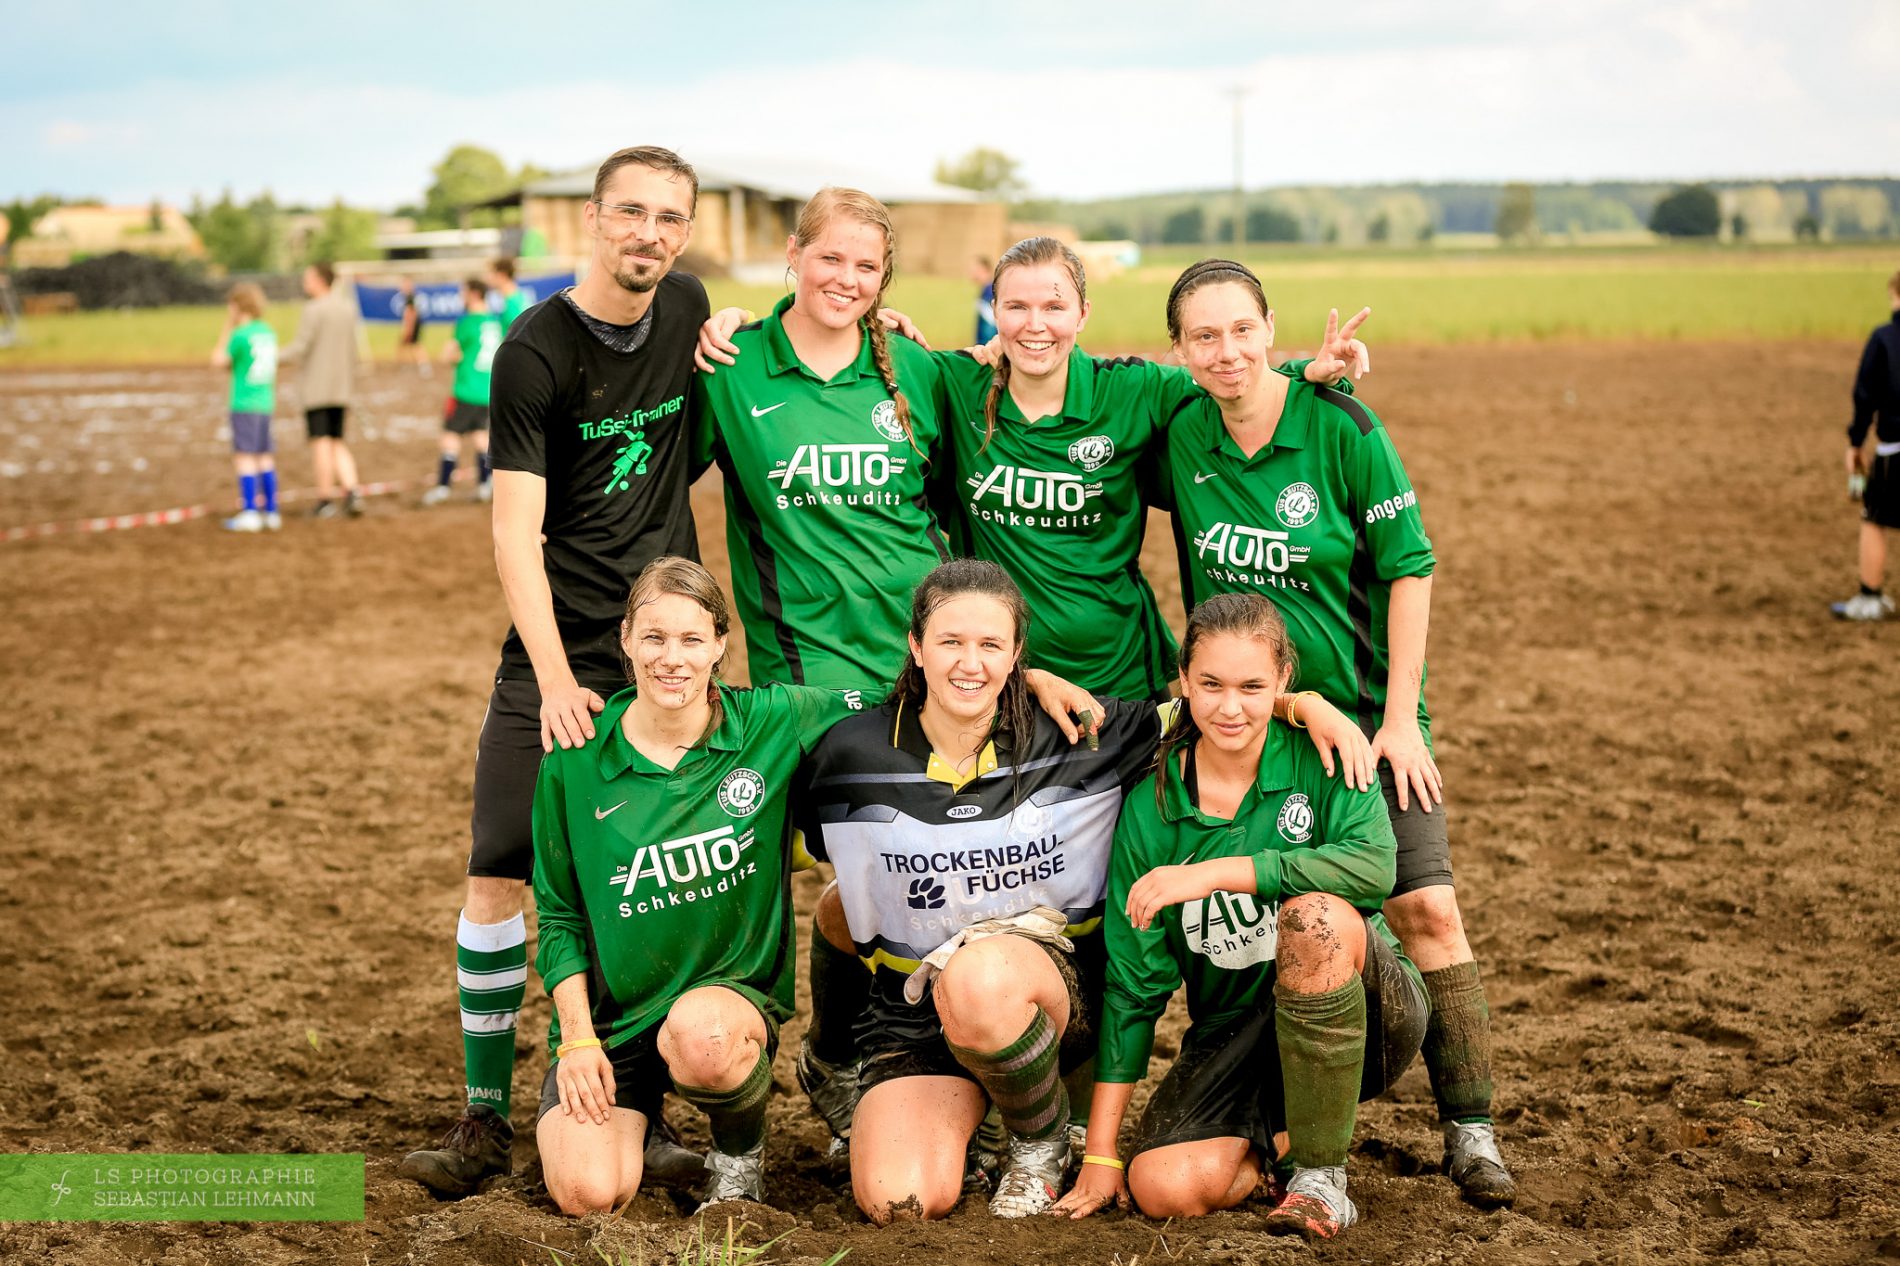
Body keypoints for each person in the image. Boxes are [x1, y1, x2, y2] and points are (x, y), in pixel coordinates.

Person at [792, 560, 1371, 1224]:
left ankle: (1039, 1141)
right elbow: (832, 869)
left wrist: (1306, 704)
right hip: (917, 1015)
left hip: (1044, 994)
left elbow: (1220, 702)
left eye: (991, 645)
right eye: (950, 642)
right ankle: (897, 1085)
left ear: (1017, 654)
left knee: (979, 978)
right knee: (901, 1200)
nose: (969, 662)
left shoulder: (1084, 732)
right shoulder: (849, 754)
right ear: (917, 647)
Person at [1156, 258, 1516, 1208]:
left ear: (1270, 329)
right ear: (1180, 351)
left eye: (1242, 330)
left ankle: (1470, 1130)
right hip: (1248, 720)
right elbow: (1070, 393)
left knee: (1428, 910)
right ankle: (1290, 1134)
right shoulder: (1182, 430)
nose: (1226, 352)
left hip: (1365, 723)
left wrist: (1400, 720)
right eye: (1204, 337)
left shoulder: (1345, 426)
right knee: (1271, 923)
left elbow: (1411, 567)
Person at [400, 145, 712, 1199]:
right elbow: (513, 536)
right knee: (499, 868)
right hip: (559, 653)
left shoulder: (687, 313)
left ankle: (641, 1105)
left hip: (664, 654)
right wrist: (555, 678)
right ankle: (483, 1115)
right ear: (592, 218)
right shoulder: (532, 354)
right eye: (631, 212)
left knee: (651, 878)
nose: (649, 234)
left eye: (670, 218)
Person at [1052, 592, 1427, 1241]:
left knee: (1315, 917)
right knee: (1162, 1187)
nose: (1230, 707)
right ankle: (1274, 1147)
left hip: (1367, 1014)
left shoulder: (1328, 751)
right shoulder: (1153, 807)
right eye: (1211, 684)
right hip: (1235, 1033)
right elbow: (1135, 991)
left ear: (1284, 681)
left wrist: (1220, 871)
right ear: (1183, 684)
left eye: (1253, 686)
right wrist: (1102, 1155)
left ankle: (1320, 1178)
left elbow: (1375, 869)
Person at [534, 557, 865, 1212]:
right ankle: (641, 1112)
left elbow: (907, 695)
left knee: (704, 1039)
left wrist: (1030, 681)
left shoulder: (772, 721)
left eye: (692, 640)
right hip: (613, 1024)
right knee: (588, 1194)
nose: (671, 659)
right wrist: (576, 1038)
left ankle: (739, 1157)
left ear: (720, 644)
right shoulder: (575, 755)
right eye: (654, 638)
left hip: (724, 1005)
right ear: (625, 639)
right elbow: (559, 915)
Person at [1832, 268, 1900, 620]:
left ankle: (1870, 599)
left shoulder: (1884, 339)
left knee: (1874, 518)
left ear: (1896, 296)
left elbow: (1864, 395)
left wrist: (1855, 441)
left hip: (1894, 451)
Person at [280, 262, 364, 519]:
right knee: (337, 441)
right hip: (341, 389)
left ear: (319, 280)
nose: (305, 282)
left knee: (321, 443)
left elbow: (301, 347)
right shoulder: (347, 308)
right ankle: (351, 491)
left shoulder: (313, 310)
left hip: (317, 390)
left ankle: (324, 499)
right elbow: (353, 350)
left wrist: (271, 356)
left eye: (308, 277)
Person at [423, 278, 502, 506]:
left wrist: (451, 357)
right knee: (480, 436)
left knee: (450, 438)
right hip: (487, 390)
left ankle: (443, 487)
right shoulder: (494, 322)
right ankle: (485, 484)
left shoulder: (467, 322)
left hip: (466, 390)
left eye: (464, 292)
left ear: (474, 294)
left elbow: (450, 354)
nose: (461, 296)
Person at [210, 282, 280, 533]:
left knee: (245, 458)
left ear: (238, 306)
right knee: (265, 457)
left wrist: (228, 327)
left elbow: (218, 359)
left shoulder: (241, 334)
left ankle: (251, 511)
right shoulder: (267, 331)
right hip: (265, 402)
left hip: (244, 402)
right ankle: (271, 512)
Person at [396, 276, 430, 376]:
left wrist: (408, 328)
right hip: (414, 323)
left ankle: (422, 366)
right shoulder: (410, 296)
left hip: (413, 324)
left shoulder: (410, 297)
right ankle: (407, 365)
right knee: (405, 345)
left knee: (415, 345)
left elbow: (411, 313)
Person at [488, 257, 533, 331]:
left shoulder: (513, 304)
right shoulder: (519, 298)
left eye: (491, 274)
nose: (488, 278)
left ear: (502, 275)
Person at [971, 253, 997, 346]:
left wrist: (983, 347)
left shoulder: (990, 291)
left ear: (986, 271)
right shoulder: (986, 290)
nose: (974, 273)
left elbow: (990, 324)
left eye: (978, 270)